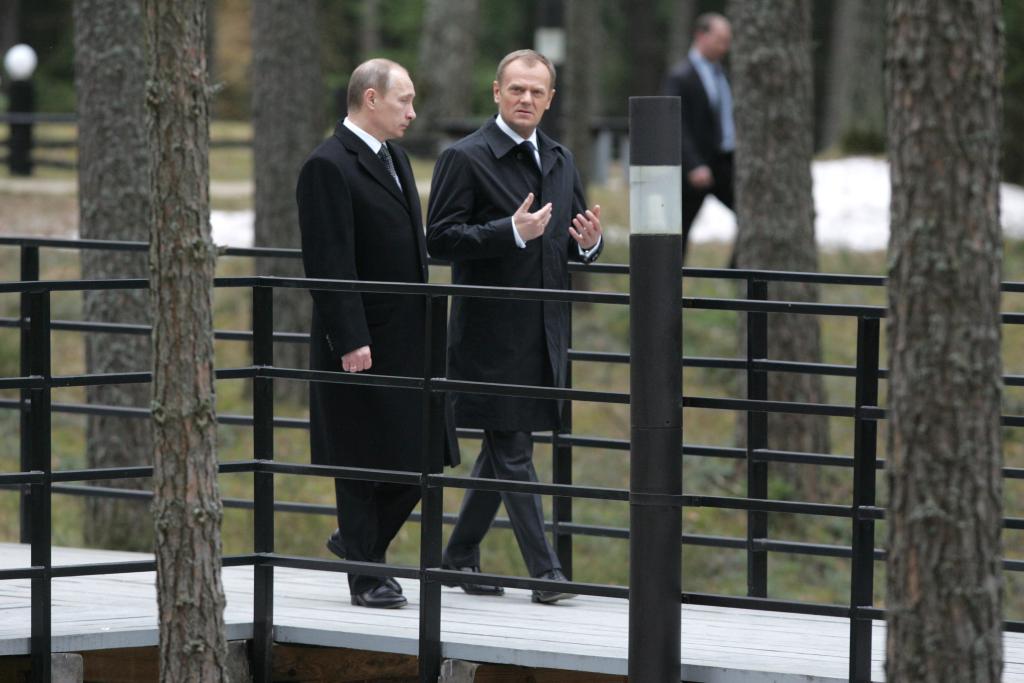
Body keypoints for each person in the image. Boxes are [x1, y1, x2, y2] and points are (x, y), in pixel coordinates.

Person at [426, 49, 603, 604]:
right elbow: (440, 240)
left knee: (504, 447)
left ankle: (457, 556)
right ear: (497, 93)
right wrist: (511, 232)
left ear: (550, 100)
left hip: (545, 332)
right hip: (488, 334)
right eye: (516, 90)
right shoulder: (466, 157)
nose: (526, 99)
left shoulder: (560, 157)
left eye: (537, 92)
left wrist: (591, 243)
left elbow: (574, 239)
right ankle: (546, 574)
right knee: (513, 446)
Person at [296, 58, 457, 609]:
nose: (412, 112)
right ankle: (367, 576)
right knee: (362, 460)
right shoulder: (328, 165)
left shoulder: (396, 158)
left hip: (411, 335)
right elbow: (327, 260)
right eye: (403, 100)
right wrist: (350, 337)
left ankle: (355, 541)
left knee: (422, 458)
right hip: (361, 338)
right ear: (370, 98)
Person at [662, 12, 735, 263]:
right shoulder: (681, 76)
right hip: (694, 168)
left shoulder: (722, 74)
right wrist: (693, 164)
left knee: (755, 215)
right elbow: (674, 125)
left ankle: (736, 273)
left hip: (724, 162)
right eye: (720, 40)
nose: (724, 47)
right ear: (701, 36)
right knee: (678, 230)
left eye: (727, 41)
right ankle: (669, 286)